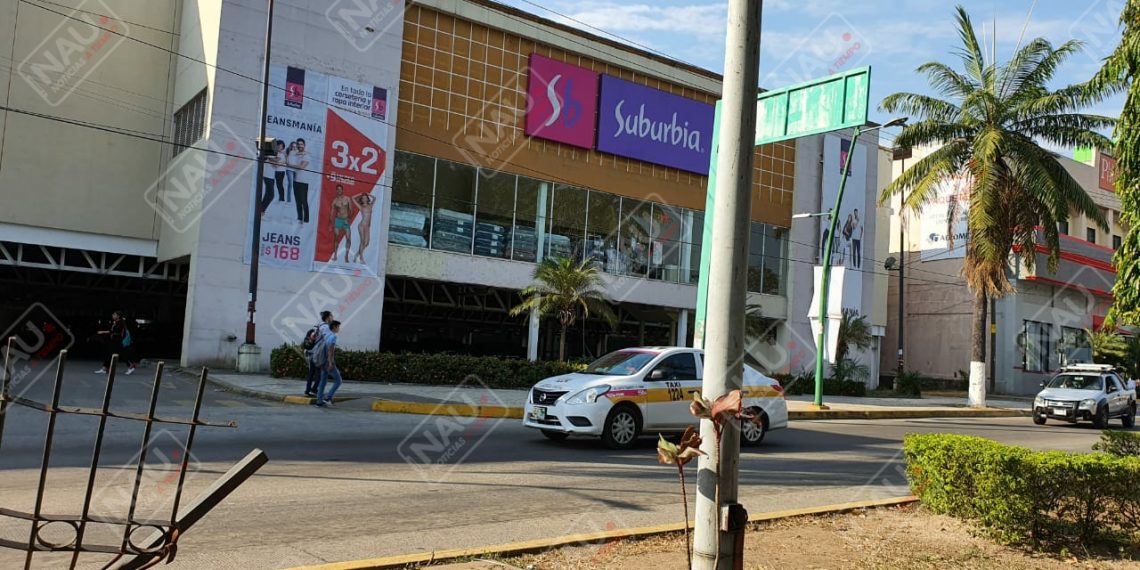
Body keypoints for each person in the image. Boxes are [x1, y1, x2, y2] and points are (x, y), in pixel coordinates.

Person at [94, 311, 138, 375]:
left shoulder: (121, 322)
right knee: (109, 354)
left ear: (118, 316)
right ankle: (105, 368)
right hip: (114, 340)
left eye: (114, 314)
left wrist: (103, 332)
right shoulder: (116, 322)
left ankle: (130, 367)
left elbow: (115, 331)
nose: (113, 315)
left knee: (122, 354)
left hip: (117, 341)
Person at [303, 310, 333, 397]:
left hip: (311, 352)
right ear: (327, 317)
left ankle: (307, 391)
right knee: (320, 373)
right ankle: (314, 390)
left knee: (311, 373)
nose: (332, 318)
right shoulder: (326, 327)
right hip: (319, 353)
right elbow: (328, 341)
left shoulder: (318, 325)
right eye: (331, 316)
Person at [313, 320, 343, 407]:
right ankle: (328, 398)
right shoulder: (333, 337)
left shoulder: (326, 335)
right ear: (334, 327)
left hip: (322, 361)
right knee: (338, 380)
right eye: (338, 327)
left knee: (323, 381)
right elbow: (330, 350)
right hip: (328, 361)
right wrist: (330, 362)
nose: (339, 329)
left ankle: (319, 401)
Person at [329, 185, 353, 263]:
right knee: (336, 237)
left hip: (345, 220)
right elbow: (332, 212)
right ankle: (335, 255)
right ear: (336, 191)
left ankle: (346, 256)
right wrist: (330, 222)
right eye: (338, 189)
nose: (339, 191)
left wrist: (348, 218)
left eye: (340, 189)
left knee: (348, 238)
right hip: (338, 220)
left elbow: (351, 210)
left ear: (342, 190)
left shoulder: (347, 199)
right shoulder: (335, 201)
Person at [291, 138, 311, 223]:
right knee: (297, 200)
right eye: (298, 144)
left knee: (303, 201)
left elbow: (301, 167)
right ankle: (300, 218)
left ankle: (306, 219)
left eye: (301, 144)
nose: (300, 146)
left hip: (303, 182)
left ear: (304, 145)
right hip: (296, 181)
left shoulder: (306, 156)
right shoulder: (296, 154)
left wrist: (290, 165)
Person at [352, 193, 376, 264]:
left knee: (367, 243)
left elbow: (374, 198)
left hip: (368, 226)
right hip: (362, 225)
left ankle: (357, 254)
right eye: (363, 198)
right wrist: (360, 194)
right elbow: (353, 197)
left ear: (367, 198)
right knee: (362, 241)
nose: (364, 199)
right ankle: (361, 257)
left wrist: (368, 194)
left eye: (366, 197)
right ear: (362, 199)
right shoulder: (361, 206)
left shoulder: (370, 205)